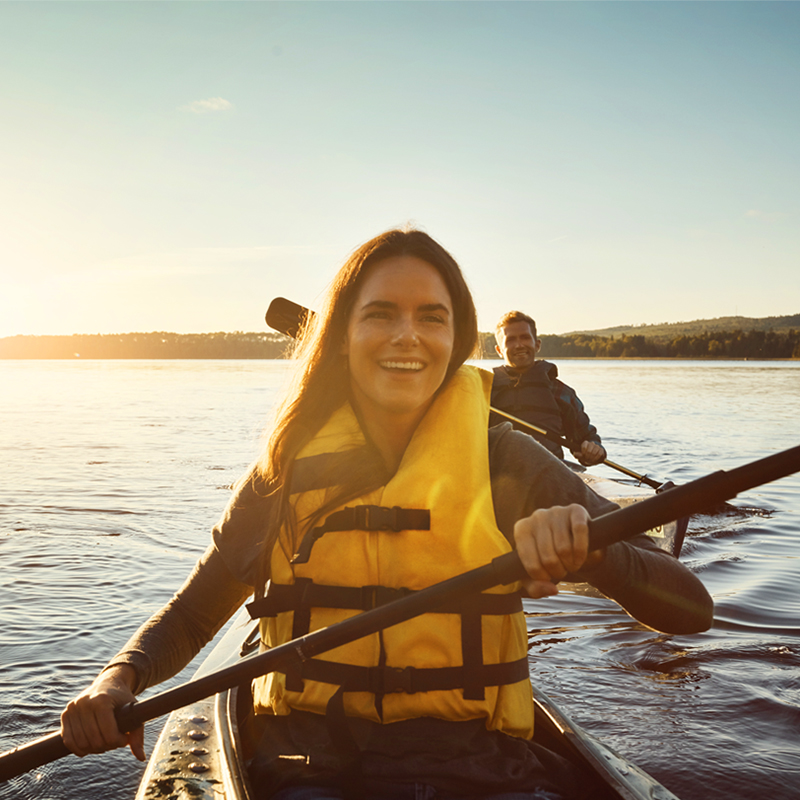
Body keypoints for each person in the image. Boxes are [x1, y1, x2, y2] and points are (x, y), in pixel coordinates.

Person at [61, 229, 713, 800]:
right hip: (306, 773)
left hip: (486, 777)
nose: (407, 334)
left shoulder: (506, 459)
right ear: (342, 336)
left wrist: (596, 553)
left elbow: (691, 610)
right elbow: (194, 612)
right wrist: (119, 678)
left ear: (456, 338)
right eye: (380, 314)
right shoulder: (286, 466)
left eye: (432, 316)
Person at [490, 311, 606, 466]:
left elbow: (586, 438)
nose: (519, 345)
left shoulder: (561, 392)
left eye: (525, 337)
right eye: (510, 340)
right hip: (498, 475)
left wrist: (594, 450)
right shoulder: (484, 388)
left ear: (537, 344)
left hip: (548, 476)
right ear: (499, 350)